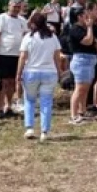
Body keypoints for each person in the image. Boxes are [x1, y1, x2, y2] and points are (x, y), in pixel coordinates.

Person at [16, 13, 61, 142]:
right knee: (46, 102)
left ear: (33, 24)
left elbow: (23, 57)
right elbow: (57, 56)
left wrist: (18, 73)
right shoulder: (52, 37)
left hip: (31, 71)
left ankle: (29, 128)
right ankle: (44, 131)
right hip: (49, 72)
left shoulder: (28, 37)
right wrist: (59, 70)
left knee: (29, 100)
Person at [0, 0, 27, 119]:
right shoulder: (1, 18)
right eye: (14, 6)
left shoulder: (22, 20)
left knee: (12, 81)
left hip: (17, 55)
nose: (16, 9)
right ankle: (0, 108)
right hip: (3, 53)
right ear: (9, 6)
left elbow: (25, 36)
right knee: (2, 82)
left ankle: (9, 106)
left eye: (18, 7)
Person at [68, 3, 97, 125]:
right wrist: (89, 27)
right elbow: (88, 41)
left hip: (89, 60)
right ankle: (73, 115)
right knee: (79, 89)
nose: (87, 16)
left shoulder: (83, 28)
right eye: (85, 14)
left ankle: (82, 112)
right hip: (81, 61)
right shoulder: (75, 29)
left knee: (85, 89)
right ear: (79, 16)